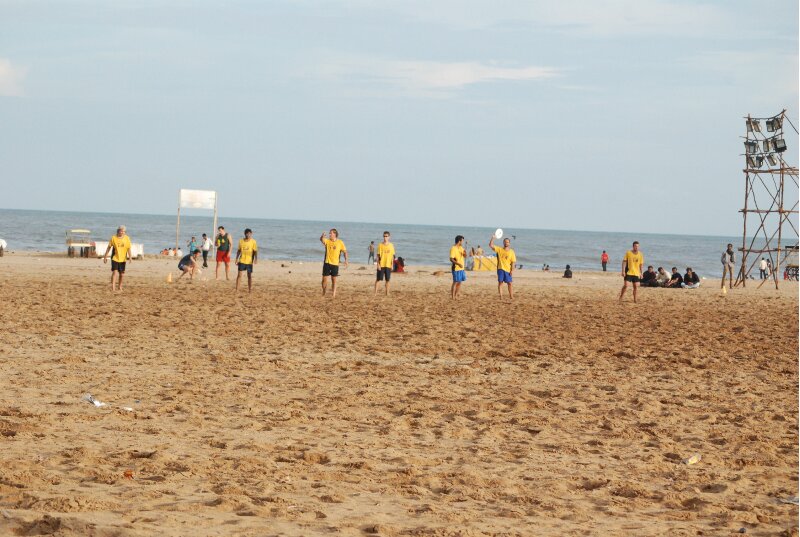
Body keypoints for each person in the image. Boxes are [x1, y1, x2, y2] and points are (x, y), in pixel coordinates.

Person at [102, 225, 132, 292]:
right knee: (115, 272)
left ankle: (120, 286)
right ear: (118, 231)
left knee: (122, 274)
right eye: (121, 231)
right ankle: (113, 288)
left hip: (123, 259)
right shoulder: (113, 238)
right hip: (115, 258)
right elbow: (109, 247)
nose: (122, 232)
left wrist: (130, 257)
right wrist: (105, 256)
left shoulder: (127, 238)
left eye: (124, 231)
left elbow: (128, 248)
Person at [320, 229, 348, 298]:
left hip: (335, 264)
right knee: (324, 280)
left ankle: (333, 295)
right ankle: (324, 291)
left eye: (331, 233)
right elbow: (321, 239)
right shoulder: (327, 241)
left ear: (335, 234)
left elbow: (345, 252)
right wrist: (322, 236)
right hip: (327, 262)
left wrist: (346, 260)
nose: (329, 234)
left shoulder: (340, 242)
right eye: (329, 233)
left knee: (334, 280)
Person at [489, 234, 516, 299]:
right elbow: (491, 245)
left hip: (508, 269)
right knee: (500, 283)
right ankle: (501, 296)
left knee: (510, 283)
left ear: (509, 243)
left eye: (507, 242)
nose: (506, 243)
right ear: (503, 242)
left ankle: (511, 296)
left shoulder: (512, 251)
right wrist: (493, 238)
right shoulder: (499, 249)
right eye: (505, 242)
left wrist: (512, 270)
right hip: (500, 269)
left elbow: (513, 262)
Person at [235, 228, 257, 293]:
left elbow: (255, 251)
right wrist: (236, 259)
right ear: (245, 234)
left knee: (249, 276)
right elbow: (239, 251)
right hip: (242, 261)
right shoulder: (241, 241)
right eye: (247, 234)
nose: (248, 235)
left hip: (249, 262)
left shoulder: (253, 241)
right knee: (239, 275)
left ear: (251, 234)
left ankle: (250, 289)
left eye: (250, 234)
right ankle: (237, 289)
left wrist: (256, 259)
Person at [374, 231, 395, 296]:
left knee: (387, 280)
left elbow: (392, 256)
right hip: (381, 265)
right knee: (378, 279)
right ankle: (375, 293)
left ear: (389, 237)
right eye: (384, 236)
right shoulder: (380, 245)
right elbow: (377, 256)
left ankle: (387, 293)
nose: (385, 237)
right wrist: (378, 264)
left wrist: (392, 265)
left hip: (388, 265)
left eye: (386, 236)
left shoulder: (391, 245)